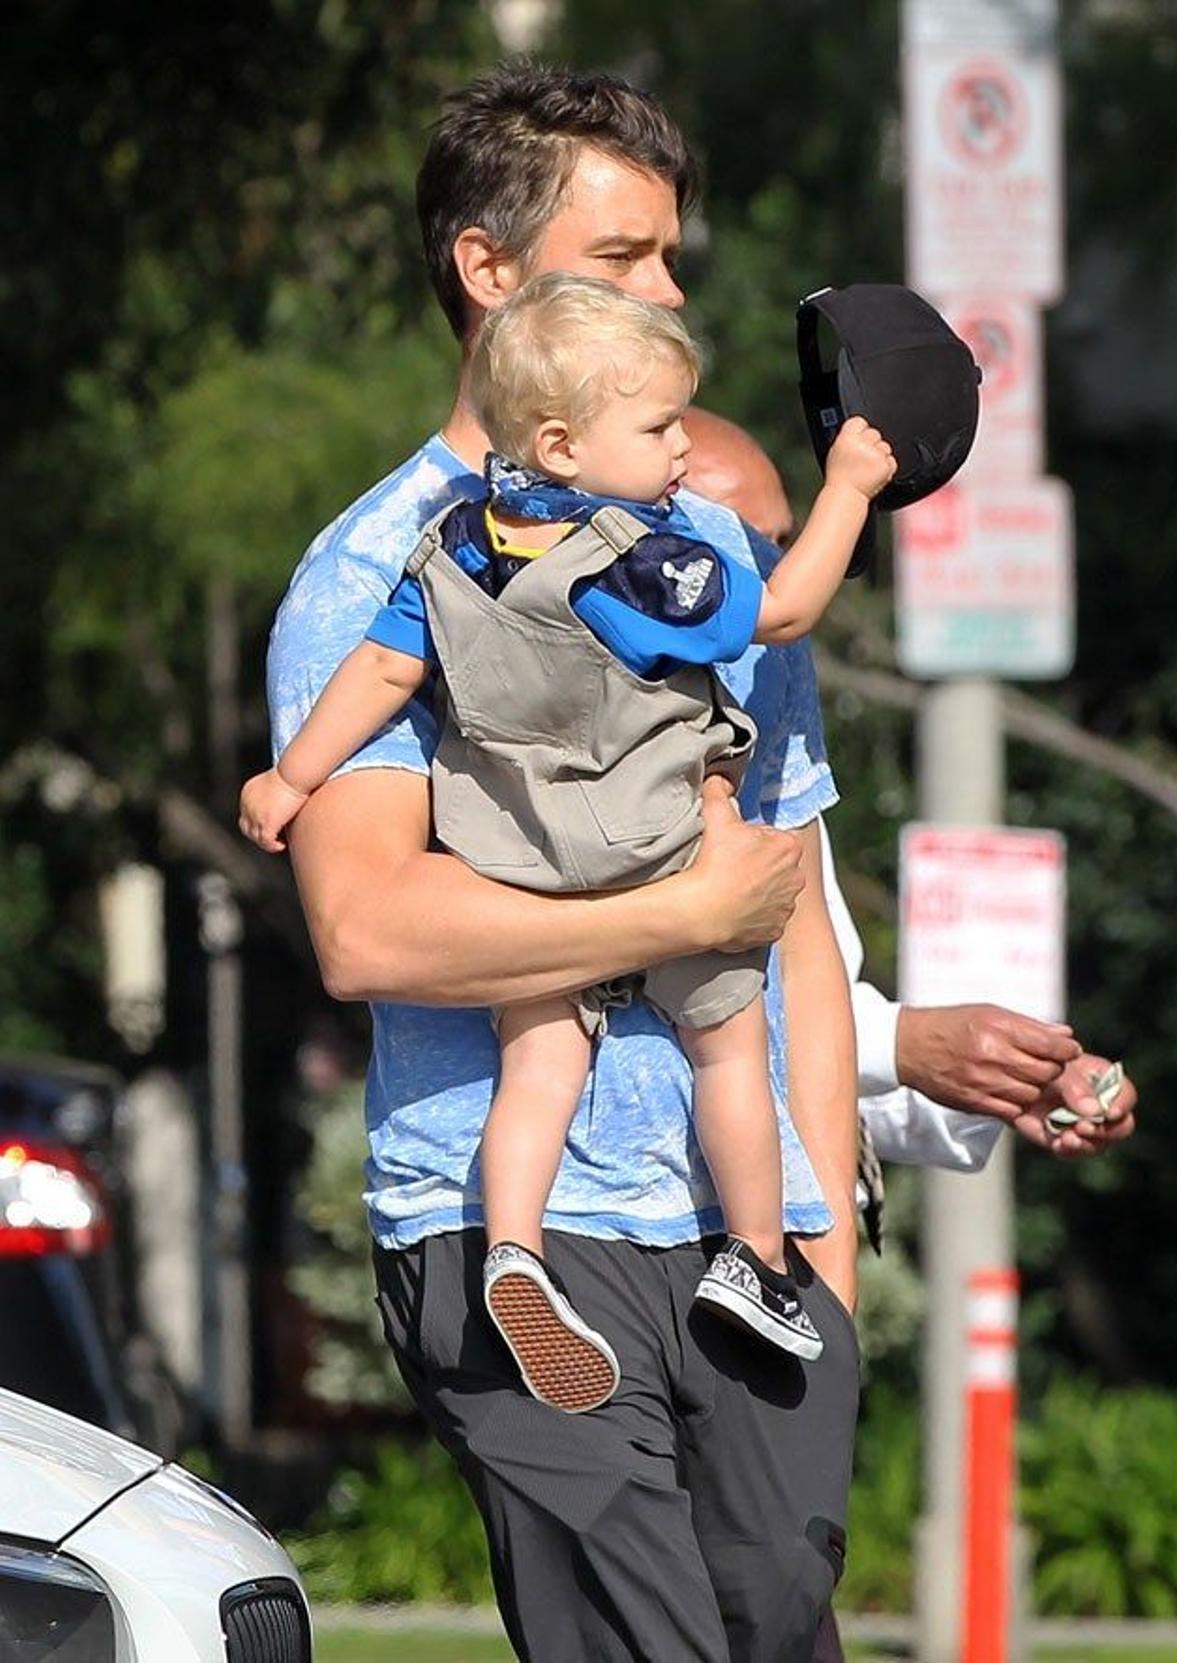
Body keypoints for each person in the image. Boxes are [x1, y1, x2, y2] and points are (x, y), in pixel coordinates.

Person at [268, 62, 1133, 1660]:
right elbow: (369, 926)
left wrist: (820, 1227)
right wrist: (680, 911)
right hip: (518, 1210)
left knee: (774, 1625)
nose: (672, 293)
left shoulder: (708, 551)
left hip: (746, 1226)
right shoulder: (383, 573)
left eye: (673, 257)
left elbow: (789, 908)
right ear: (487, 269)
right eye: (623, 259)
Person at [244, 273, 895, 1405]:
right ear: (562, 442)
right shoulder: (640, 564)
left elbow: (383, 669)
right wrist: (847, 486)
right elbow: (785, 609)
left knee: (538, 1069)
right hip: (655, 848)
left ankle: (511, 1248)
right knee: (730, 1054)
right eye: (657, 428)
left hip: (523, 869)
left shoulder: (453, 547)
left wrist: (288, 776)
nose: (682, 452)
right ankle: (753, 1260)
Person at [682, 405, 1138, 1663]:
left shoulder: (779, 749)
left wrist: (987, 1079)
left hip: (787, 1287)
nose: (792, 581)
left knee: (783, 1612)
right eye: (748, 549)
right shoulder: (595, 738)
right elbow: (668, 1028)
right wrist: (915, 1045)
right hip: (659, 1277)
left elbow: (817, 1045)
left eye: (800, 543)